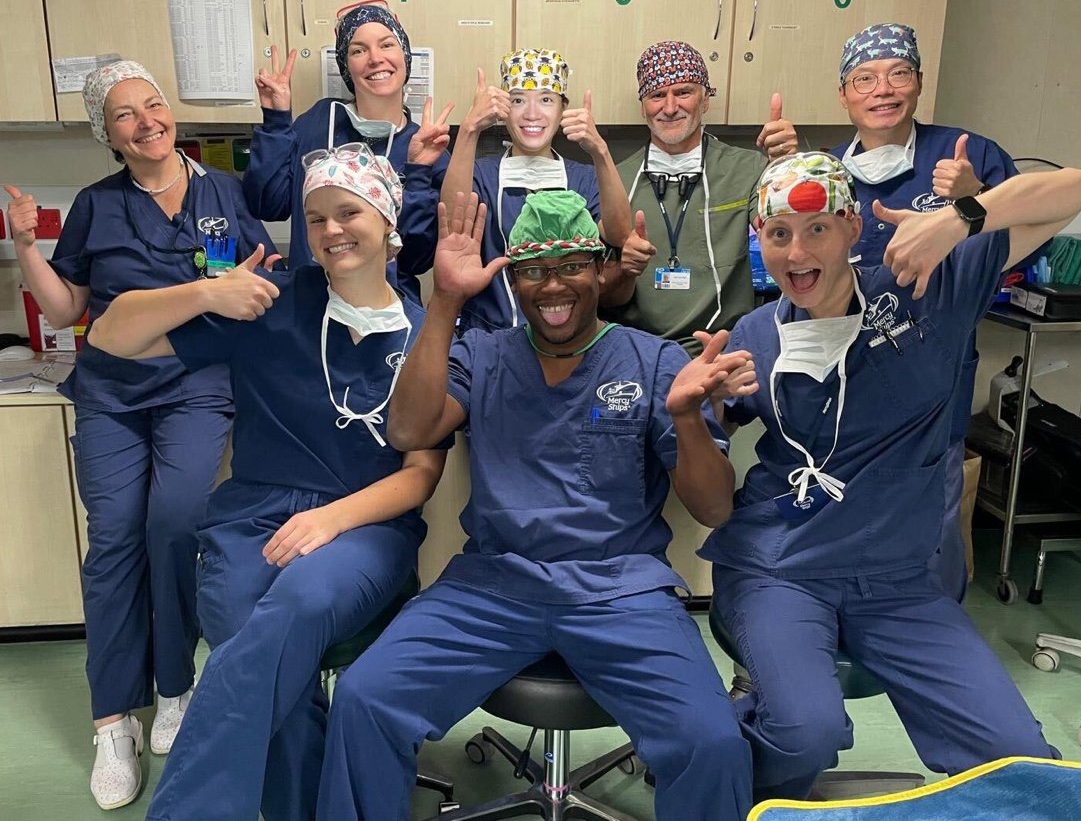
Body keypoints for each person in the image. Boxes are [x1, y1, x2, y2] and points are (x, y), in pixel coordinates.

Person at [318, 190, 754, 821]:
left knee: (712, 742)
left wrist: (688, 417)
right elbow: (410, 432)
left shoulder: (651, 360)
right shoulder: (484, 353)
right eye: (532, 270)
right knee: (363, 699)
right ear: (514, 280)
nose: (553, 285)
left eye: (571, 265)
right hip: (493, 586)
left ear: (600, 269)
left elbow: (713, 509)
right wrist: (445, 301)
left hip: (619, 590)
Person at [703, 152, 1081, 802]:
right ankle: (737, 786)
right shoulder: (754, 334)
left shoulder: (923, 285)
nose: (796, 252)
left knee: (1022, 760)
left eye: (817, 228)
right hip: (781, 566)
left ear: (852, 229)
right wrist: (703, 406)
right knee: (805, 728)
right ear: (759, 244)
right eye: (777, 234)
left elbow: (1076, 188)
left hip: (897, 579)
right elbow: (707, 449)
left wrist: (965, 216)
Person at [85, 142, 448, 821]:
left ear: (387, 219)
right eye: (315, 218)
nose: (332, 230)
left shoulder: (424, 334)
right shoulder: (269, 302)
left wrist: (330, 520)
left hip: (365, 526)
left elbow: (421, 474)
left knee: (296, 604)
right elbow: (110, 336)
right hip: (248, 520)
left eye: (348, 212)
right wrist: (203, 291)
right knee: (259, 643)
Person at [5, 60, 277, 810]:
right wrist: (26, 247)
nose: (146, 119)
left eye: (152, 103)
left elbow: (253, 276)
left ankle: (175, 685)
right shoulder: (96, 206)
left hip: (196, 384)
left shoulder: (225, 191)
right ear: (108, 134)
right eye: (124, 113)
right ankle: (112, 720)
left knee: (178, 520)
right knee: (117, 535)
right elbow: (65, 311)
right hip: (113, 393)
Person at [829, 22, 1022, 600]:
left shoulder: (968, 155)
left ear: (918, 83)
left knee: (929, 506)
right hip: (846, 365)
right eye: (864, 78)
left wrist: (972, 200)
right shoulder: (829, 173)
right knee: (839, 497)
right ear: (844, 94)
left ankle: (928, 629)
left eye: (898, 74)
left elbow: (1020, 240)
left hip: (932, 369)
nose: (882, 90)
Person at [243, 1, 452, 303]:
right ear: (346, 67)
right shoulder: (319, 121)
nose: (375, 59)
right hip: (310, 309)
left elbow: (415, 261)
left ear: (404, 56)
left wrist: (417, 173)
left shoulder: (427, 147)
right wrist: (276, 121)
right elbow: (266, 204)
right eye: (358, 50)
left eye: (387, 45)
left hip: (389, 317)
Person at [601, 40, 798, 349]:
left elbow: (791, 236)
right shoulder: (615, 181)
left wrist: (787, 166)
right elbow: (601, 295)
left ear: (705, 99)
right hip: (637, 352)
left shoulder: (747, 170)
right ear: (643, 107)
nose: (669, 107)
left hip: (725, 348)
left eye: (683, 92)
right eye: (656, 95)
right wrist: (626, 269)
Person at [439, 48, 632, 332]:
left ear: (562, 107)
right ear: (503, 109)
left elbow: (619, 233)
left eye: (545, 99)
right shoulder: (481, 174)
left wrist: (599, 151)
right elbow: (454, 223)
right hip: (490, 338)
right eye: (518, 100)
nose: (532, 114)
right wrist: (470, 128)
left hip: (568, 339)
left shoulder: (584, 178)